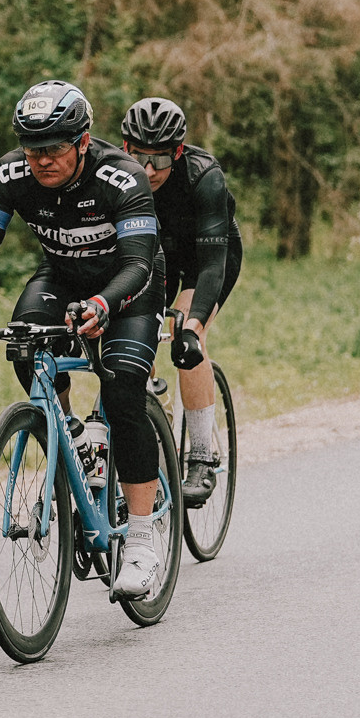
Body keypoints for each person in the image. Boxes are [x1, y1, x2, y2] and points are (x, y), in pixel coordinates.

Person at [0, 80, 168, 598]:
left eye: (54, 148)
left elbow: (138, 264)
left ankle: (143, 541)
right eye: (32, 149)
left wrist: (104, 304)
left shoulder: (120, 176)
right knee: (23, 345)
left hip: (130, 284)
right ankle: (74, 440)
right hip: (62, 276)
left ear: (83, 142)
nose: (42, 160)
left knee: (122, 388)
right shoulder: (10, 174)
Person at [119, 97, 241, 504]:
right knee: (134, 339)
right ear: (125, 148)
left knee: (185, 336)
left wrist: (193, 325)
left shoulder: (204, 176)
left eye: (160, 159)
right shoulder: (112, 173)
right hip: (152, 259)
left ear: (178, 152)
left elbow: (211, 267)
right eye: (139, 157)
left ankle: (202, 456)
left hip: (204, 259)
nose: (149, 170)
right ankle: (157, 427)